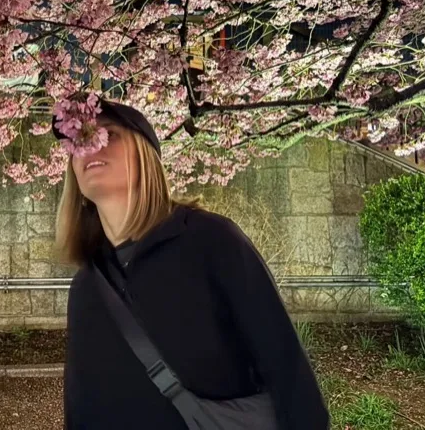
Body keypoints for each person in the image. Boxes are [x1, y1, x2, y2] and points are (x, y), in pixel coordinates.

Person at [54, 93, 329, 429]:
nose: (90, 148)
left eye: (108, 135)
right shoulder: (86, 286)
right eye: (78, 142)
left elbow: (287, 370)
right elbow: (81, 407)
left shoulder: (211, 241)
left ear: (145, 156)